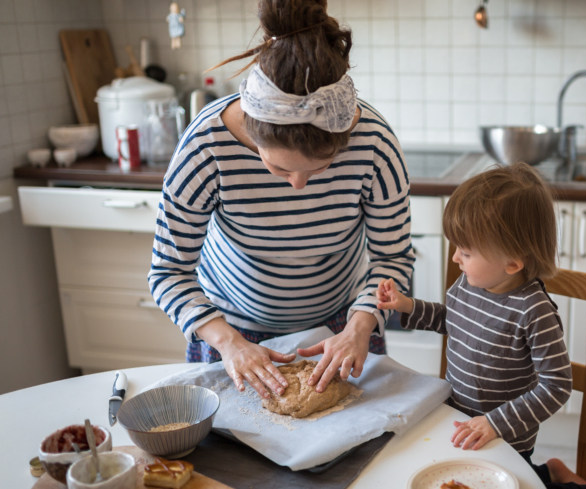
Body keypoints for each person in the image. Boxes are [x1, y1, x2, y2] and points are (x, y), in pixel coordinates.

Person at [148, 0, 413, 401]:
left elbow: (392, 259)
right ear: (253, 133)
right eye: (279, 169)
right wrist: (228, 341)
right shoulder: (206, 146)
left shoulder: (374, 143)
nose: (299, 186)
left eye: (320, 169)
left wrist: (359, 328)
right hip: (231, 332)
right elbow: (168, 272)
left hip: (343, 328)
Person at [378, 163, 586, 489]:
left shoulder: (534, 310)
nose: (455, 258)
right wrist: (407, 306)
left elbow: (557, 386)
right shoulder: (469, 283)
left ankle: (560, 478)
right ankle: (549, 472)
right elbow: (451, 319)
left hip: (505, 438)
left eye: (466, 252)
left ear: (512, 263)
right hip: (456, 420)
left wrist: (495, 424)